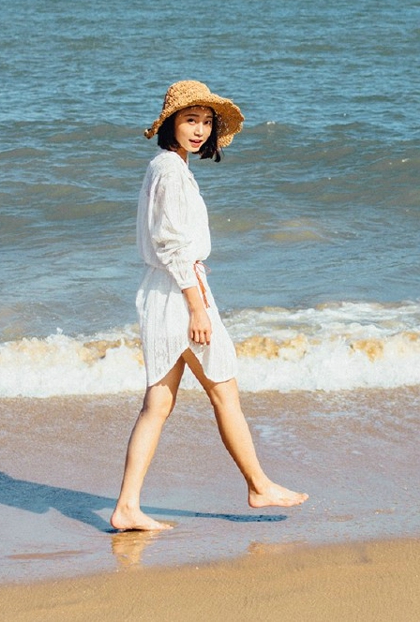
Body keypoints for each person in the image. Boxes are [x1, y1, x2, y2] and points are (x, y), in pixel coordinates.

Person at [110, 80, 308, 531]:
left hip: (163, 292)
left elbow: (168, 245)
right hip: (180, 297)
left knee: (158, 403)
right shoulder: (171, 172)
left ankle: (127, 506)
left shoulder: (166, 167)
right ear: (170, 125)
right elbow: (173, 244)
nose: (199, 130)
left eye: (205, 122)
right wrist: (196, 306)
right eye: (189, 120)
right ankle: (258, 485)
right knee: (223, 391)